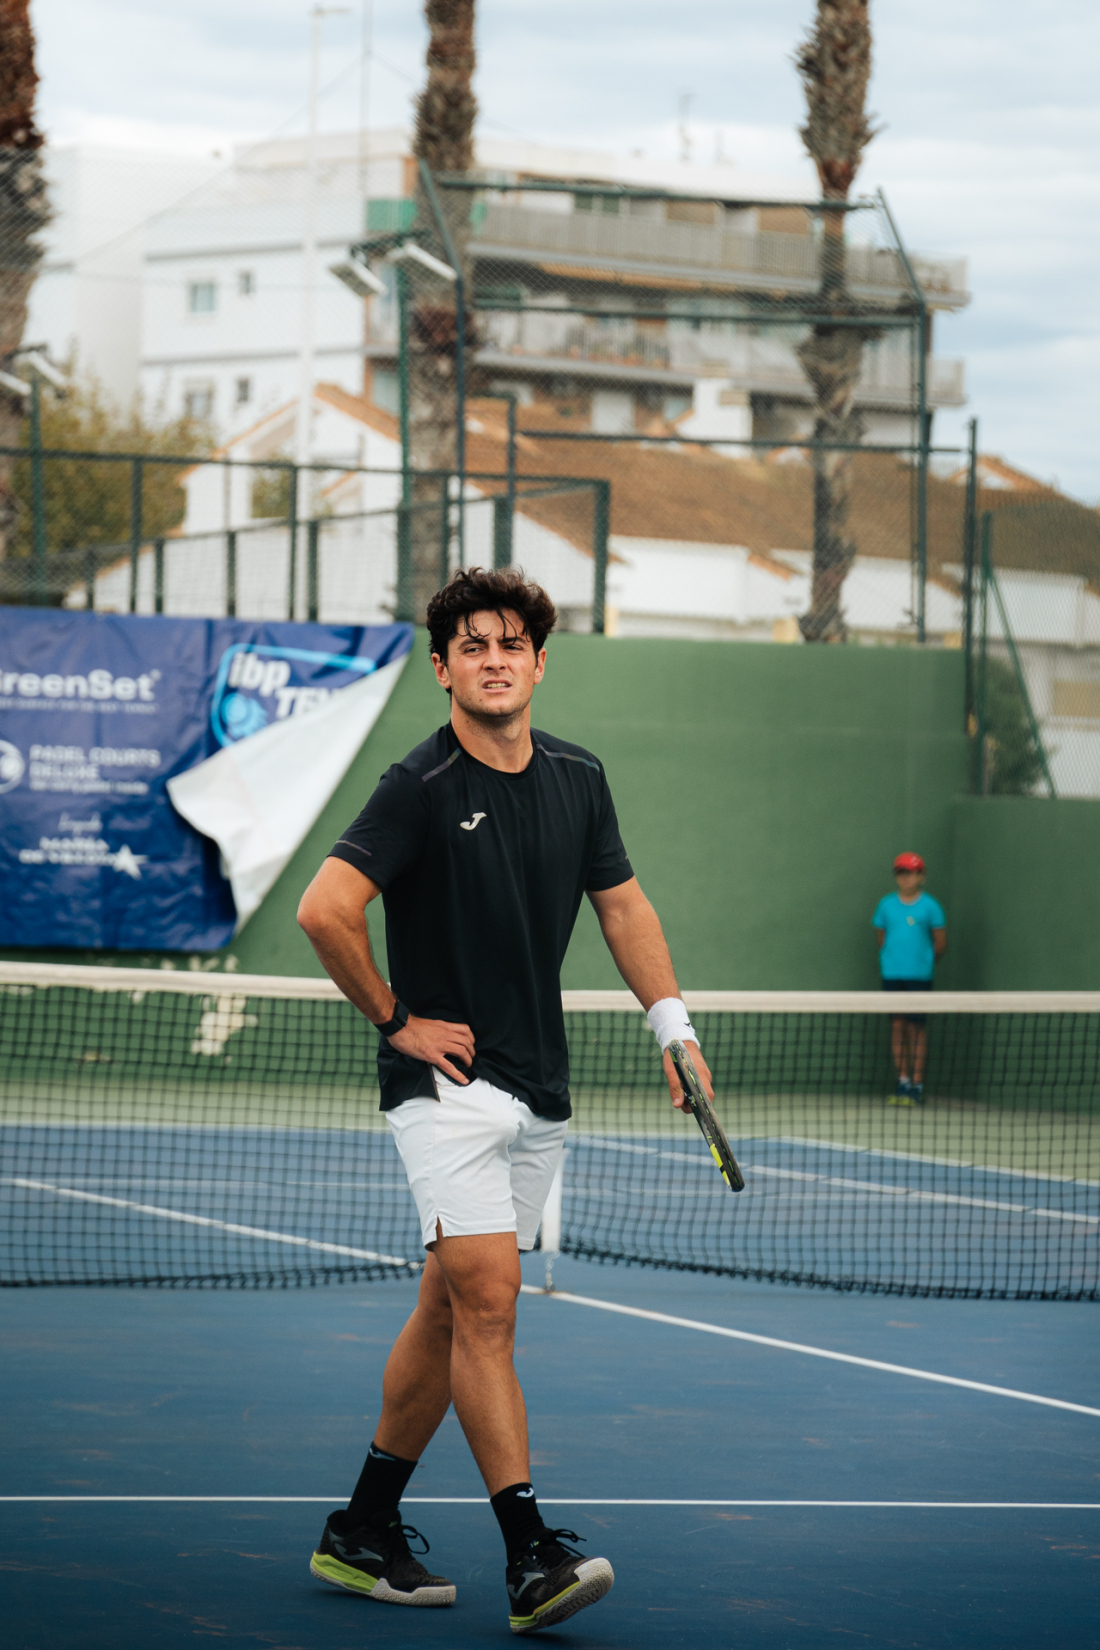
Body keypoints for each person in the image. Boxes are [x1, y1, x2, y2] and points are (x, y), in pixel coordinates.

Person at [296, 566, 712, 1635]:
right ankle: (531, 1555)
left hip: (539, 1087)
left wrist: (672, 1027)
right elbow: (325, 909)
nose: (492, 659)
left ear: (538, 662)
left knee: (447, 1308)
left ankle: (361, 1529)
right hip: (445, 1088)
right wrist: (397, 1021)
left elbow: (622, 908)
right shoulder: (418, 786)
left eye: (509, 644)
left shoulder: (579, 776)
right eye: (471, 645)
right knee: (489, 1303)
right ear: (442, 669)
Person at [872, 852, 947, 1105]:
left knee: (916, 1029)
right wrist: (894, 961)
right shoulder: (885, 905)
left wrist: (922, 964)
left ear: (921, 876)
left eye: (911, 872)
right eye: (901, 872)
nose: (906, 877)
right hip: (892, 975)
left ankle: (917, 1085)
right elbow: (881, 938)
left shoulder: (931, 906)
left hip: (919, 977)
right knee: (897, 1026)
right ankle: (903, 1082)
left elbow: (940, 943)